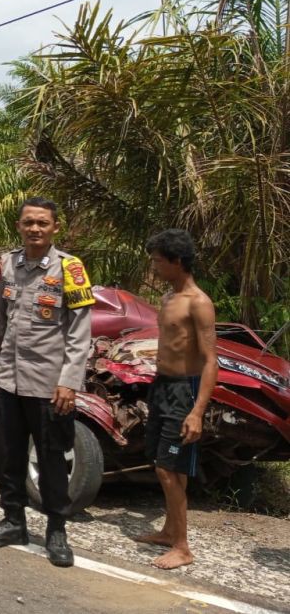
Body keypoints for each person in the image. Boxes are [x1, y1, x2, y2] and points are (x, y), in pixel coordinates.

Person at [0, 197, 92, 568]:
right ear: (19, 226)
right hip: (9, 379)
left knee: (52, 458)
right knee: (7, 454)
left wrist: (69, 381)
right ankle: (13, 521)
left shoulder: (70, 269)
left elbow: (79, 332)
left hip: (49, 385)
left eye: (43, 223)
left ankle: (56, 529)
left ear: (55, 227)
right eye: (29, 223)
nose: (35, 229)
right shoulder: (8, 264)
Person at [134, 229, 218, 569]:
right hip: (163, 386)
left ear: (176, 261)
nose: (153, 267)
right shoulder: (169, 298)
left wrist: (197, 411)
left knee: (168, 468)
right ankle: (170, 531)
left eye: (157, 261)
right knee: (166, 465)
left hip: (186, 390)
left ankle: (183, 548)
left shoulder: (199, 302)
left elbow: (212, 360)